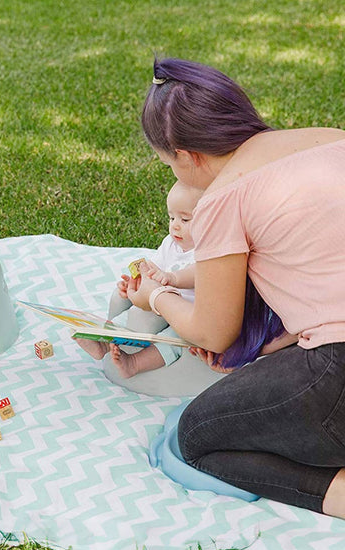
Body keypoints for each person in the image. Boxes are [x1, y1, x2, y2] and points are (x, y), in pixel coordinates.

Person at [127, 57, 345, 518]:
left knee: (198, 435)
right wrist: (283, 340)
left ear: (185, 155)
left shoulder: (224, 197)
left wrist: (157, 296)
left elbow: (212, 333)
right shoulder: (330, 139)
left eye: (167, 162)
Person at [75, 179, 202, 378]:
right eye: (171, 218)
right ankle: (102, 344)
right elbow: (152, 267)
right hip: (159, 304)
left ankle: (134, 363)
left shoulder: (206, 250)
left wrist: (171, 277)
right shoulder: (170, 243)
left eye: (185, 220)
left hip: (187, 314)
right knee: (128, 315)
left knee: (173, 341)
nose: (175, 226)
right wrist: (135, 284)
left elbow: (198, 273)